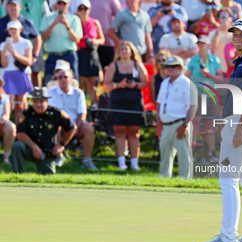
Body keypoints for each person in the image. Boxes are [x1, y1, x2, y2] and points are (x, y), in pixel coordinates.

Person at [197, 19, 242, 242]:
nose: (237, 37)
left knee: (228, 180)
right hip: (241, 123)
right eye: (235, 33)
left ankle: (228, 237)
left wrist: (239, 128)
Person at [103, 41, 148, 170]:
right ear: (118, 51)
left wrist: (135, 85)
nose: (124, 51)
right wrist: (118, 85)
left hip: (134, 103)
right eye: (121, 49)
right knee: (120, 132)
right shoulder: (113, 66)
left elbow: (145, 82)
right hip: (118, 103)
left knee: (134, 132)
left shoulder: (138, 65)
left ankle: (134, 163)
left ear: (131, 51)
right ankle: (121, 163)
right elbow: (105, 85)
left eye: (126, 49)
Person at [11, 87, 76, 174]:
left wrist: (61, 145)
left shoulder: (55, 113)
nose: (38, 105)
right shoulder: (27, 114)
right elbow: (20, 134)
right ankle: (17, 174)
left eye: (41, 101)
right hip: (30, 149)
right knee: (17, 146)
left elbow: (72, 128)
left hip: (47, 152)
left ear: (47, 102)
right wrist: (34, 147)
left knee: (49, 175)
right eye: (35, 101)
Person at [48, 69, 99, 171]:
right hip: (59, 125)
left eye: (65, 77)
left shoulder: (78, 93)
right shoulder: (51, 92)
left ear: (71, 79)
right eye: (60, 77)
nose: (63, 79)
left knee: (89, 128)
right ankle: (59, 156)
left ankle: (87, 160)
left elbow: (82, 114)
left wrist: (75, 127)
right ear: (57, 79)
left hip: (76, 125)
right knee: (54, 126)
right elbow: (50, 113)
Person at [156, 55, 198, 178]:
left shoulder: (186, 83)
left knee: (184, 154)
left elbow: (193, 106)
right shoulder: (165, 82)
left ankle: (185, 180)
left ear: (180, 68)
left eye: (173, 66)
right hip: (166, 125)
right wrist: (159, 123)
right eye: (167, 66)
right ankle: (164, 178)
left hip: (180, 123)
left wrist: (185, 125)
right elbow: (159, 104)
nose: (169, 69)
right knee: (164, 153)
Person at [185, 35, 224, 164]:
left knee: (210, 124)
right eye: (199, 44)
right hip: (196, 95)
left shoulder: (214, 60)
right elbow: (186, 77)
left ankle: (211, 152)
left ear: (208, 46)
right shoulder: (193, 60)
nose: (201, 46)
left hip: (210, 96)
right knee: (195, 122)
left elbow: (220, 78)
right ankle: (192, 150)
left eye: (203, 43)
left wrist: (209, 75)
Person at [0, 0, 43, 88]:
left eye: (14, 5)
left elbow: (38, 39)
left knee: (22, 92)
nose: (12, 8)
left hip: (22, 64)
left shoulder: (27, 22)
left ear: (20, 7)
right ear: (7, 7)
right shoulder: (1, 22)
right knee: (6, 91)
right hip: (4, 63)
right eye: (10, 5)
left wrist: (34, 56)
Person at [40, 0, 83, 84]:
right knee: (49, 83)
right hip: (53, 56)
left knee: (72, 83)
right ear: (56, 4)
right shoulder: (48, 17)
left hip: (69, 55)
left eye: (64, 3)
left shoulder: (74, 19)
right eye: (59, 3)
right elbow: (43, 37)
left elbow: (77, 40)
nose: (62, 5)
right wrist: (54, 23)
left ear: (68, 4)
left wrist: (67, 26)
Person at [0, 20, 33, 125]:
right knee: (10, 104)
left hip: (22, 75)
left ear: (20, 29)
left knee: (20, 106)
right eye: (11, 29)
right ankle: (7, 127)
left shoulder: (26, 43)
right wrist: (5, 52)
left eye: (15, 29)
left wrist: (15, 54)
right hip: (9, 75)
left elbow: (29, 61)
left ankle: (20, 128)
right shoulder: (3, 45)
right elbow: (4, 64)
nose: (13, 31)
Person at [76, 0, 105, 104]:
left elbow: (102, 40)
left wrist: (94, 41)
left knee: (95, 86)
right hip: (80, 54)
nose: (83, 11)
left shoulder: (95, 22)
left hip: (92, 54)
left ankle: (94, 110)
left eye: (85, 8)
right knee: (80, 86)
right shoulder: (75, 22)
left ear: (89, 10)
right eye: (81, 8)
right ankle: (82, 108)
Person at [89, 0, 122, 69]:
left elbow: (121, 18)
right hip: (90, 44)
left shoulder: (112, 1)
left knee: (108, 71)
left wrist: (117, 40)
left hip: (108, 43)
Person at [208, 7, 233, 76]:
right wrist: (218, 30)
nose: (224, 19)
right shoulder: (213, 33)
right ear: (219, 18)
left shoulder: (235, 33)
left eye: (226, 16)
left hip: (232, 69)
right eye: (222, 16)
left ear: (231, 18)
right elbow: (212, 47)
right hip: (220, 70)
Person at [0, 78, 16, 164]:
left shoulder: (4, 98)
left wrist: (3, 118)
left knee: (11, 127)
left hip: (1, 125)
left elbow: (6, 114)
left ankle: (5, 156)